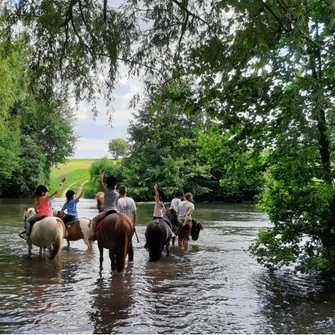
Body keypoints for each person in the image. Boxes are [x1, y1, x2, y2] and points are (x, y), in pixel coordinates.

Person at [89, 168, 119, 241]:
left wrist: (102, 172)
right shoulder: (117, 194)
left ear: (108, 184)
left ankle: (93, 236)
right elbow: (116, 204)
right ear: (115, 185)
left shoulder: (106, 191)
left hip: (106, 211)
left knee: (93, 220)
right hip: (115, 211)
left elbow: (100, 181)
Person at [117, 185, 137, 262]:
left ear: (119, 193)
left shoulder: (118, 201)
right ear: (126, 192)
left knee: (119, 244)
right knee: (130, 244)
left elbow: (117, 214)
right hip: (129, 225)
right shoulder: (131, 200)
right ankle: (131, 263)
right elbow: (134, 214)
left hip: (120, 225)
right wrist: (133, 225)